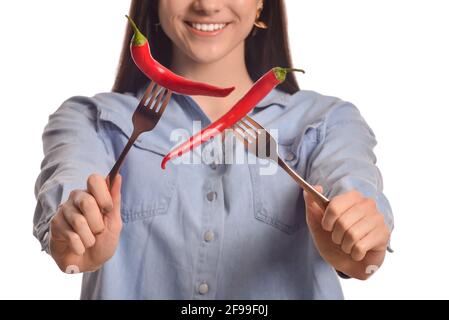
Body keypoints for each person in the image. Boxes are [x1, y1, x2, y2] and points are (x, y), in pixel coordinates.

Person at [33, 0, 393, 299]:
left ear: (260, 4)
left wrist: (357, 241)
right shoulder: (92, 120)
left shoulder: (327, 121)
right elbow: (69, 197)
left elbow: (356, 198)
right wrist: (74, 236)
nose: (206, 4)